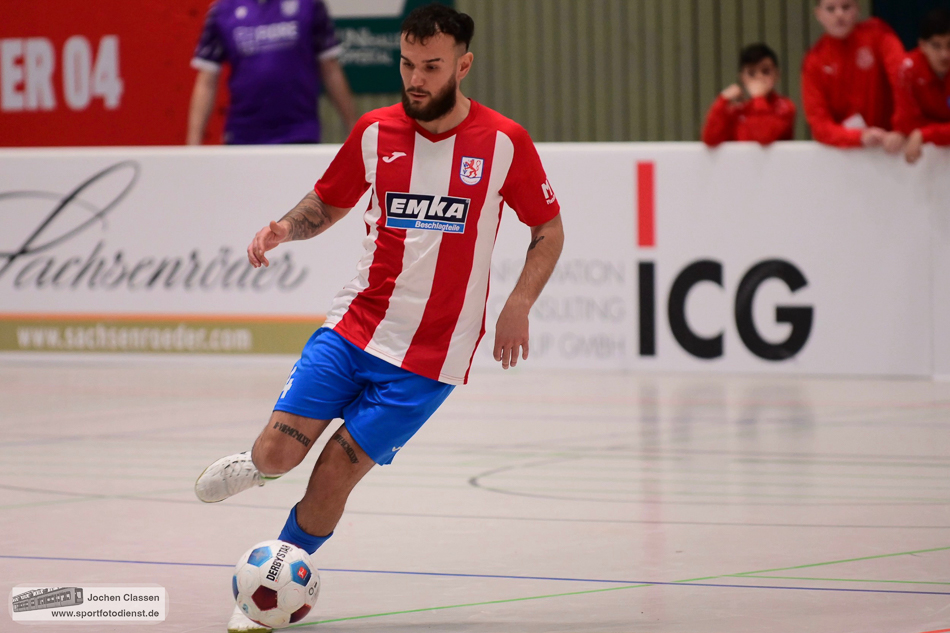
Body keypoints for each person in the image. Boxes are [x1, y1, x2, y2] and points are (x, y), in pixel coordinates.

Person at [192, 4, 564, 631]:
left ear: (463, 66)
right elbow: (328, 202)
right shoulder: (374, 131)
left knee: (334, 473)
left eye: (431, 66)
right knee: (278, 455)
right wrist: (285, 228)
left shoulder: (504, 142)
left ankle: (271, 586)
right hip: (354, 329)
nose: (415, 78)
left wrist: (518, 303)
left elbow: (548, 229)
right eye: (407, 64)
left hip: (429, 360)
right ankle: (256, 466)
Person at [186, 0, 357, 145]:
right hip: (243, 134)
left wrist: (353, 127)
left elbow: (330, 69)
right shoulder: (222, 10)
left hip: (299, 131)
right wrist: (193, 144)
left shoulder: (309, 4)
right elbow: (207, 82)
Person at [802, 0, 906, 151]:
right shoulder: (814, 61)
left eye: (846, 7)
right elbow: (819, 124)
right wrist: (858, 137)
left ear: (857, 8)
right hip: (845, 152)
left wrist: (902, 127)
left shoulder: (878, 33)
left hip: (891, 145)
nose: (839, 14)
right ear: (819, 14)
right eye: (831, 9)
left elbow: (903, 81)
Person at [702, 43, 797, 146]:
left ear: (777, 75)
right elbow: (710, 139)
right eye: (751, 73)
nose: (759, 77)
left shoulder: (785, 106)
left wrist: (758, 98)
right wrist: (722, 100)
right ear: (742, 77)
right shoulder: (739, 109)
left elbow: (764, 136)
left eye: (766, 71)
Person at [894, 8, 950, 164]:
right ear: (922, 45)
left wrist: (924, 134)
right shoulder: (908, 70)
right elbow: (905, 123)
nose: (945, 54)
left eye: (949, 45)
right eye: (936, 46)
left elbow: (916, 131)